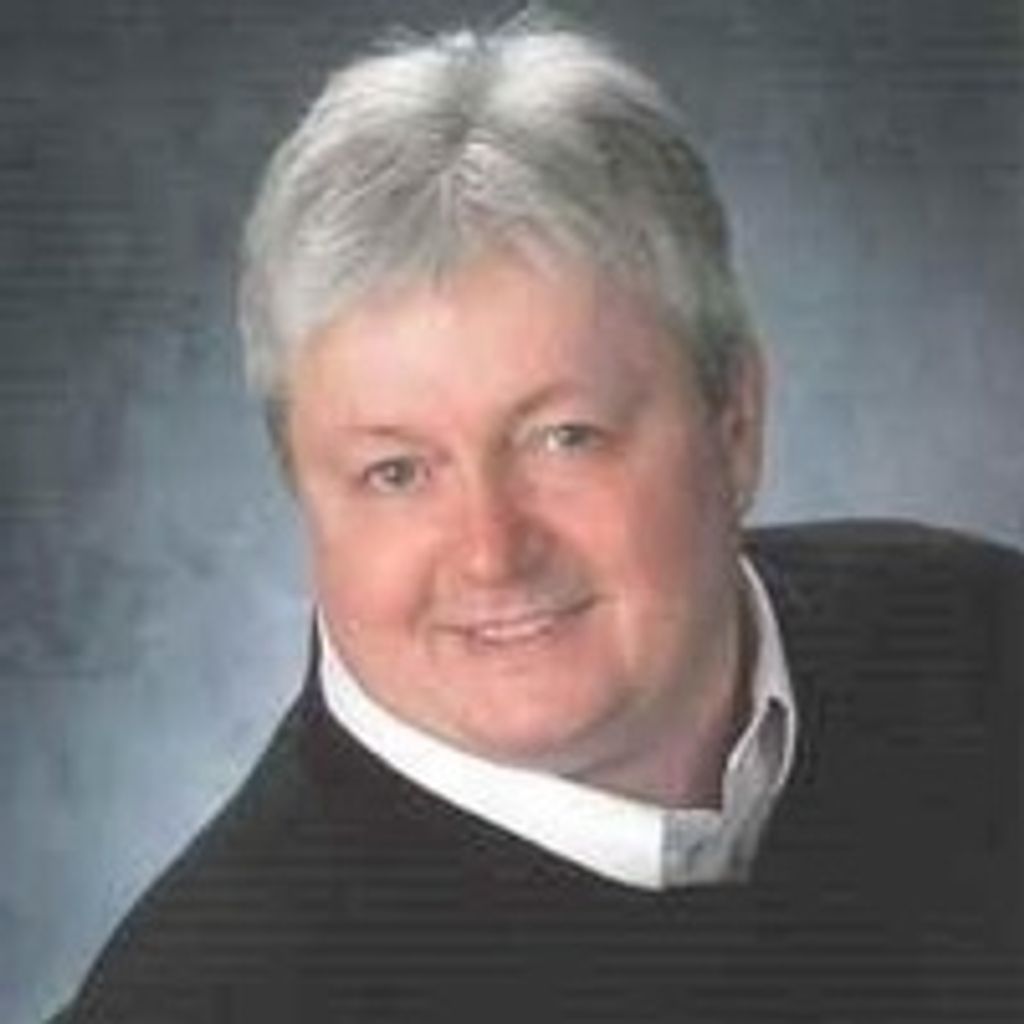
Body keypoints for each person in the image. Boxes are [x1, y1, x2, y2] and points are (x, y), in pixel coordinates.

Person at [56, 16, 1022, 1023]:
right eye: (396, 472)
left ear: (733, 422)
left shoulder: (985, 640)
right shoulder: (204, 996)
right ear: (301, 487)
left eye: (564, 438)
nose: (491, 551)